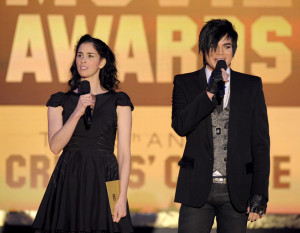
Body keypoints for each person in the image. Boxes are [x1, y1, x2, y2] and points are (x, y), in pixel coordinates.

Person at [171, 19, 270, 233]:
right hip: (196, 188)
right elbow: (180, 125)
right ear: (203, 49)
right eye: (213, 46)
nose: (220, 53)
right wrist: (208, 92)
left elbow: (260, 143)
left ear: (234, 50)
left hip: (237, 190)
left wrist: (260, 193)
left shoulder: (250, 85)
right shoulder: (184, 83)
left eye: (226, 46)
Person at [32, 34, 134, 233]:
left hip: (108, 176)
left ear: (102, 62)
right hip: (70, 175)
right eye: (79, 55)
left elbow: (123, 154)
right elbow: (55, 146)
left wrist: (121, 196)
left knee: (113, 225)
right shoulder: (59, 101)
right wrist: (78, 111)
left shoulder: (119, 101)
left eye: (90, 55)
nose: (83, 60)